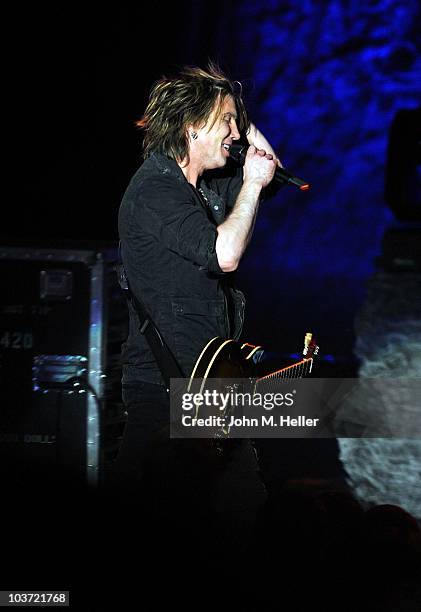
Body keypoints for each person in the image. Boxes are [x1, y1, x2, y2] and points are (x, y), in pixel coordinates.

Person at [114, 63, 280, 500]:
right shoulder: (155, 190)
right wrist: (251, 185)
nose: (235, 131)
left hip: (208, 389)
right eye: (226, 120)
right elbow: (225, 254)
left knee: (238, 506)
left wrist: (236, 117)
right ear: (191, 127)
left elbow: (268, 164)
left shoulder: (206, 188)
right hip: (166, 388)